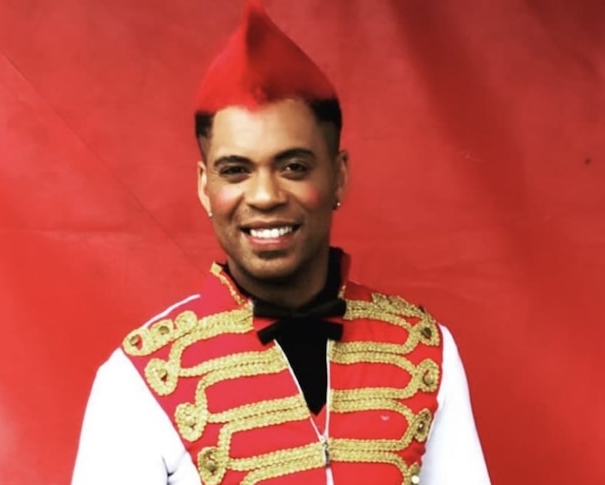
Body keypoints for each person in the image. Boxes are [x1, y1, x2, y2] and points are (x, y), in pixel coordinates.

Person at [71, 1, 491, 484]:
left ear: (338, 177)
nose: (266, 196)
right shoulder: (140, 377)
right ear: (205, 188)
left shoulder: (424, 349)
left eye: (293, 167)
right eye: (236, 171)